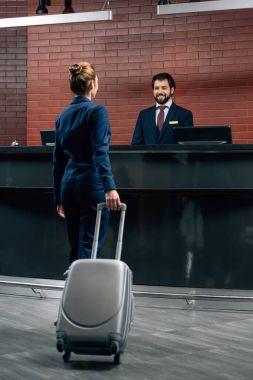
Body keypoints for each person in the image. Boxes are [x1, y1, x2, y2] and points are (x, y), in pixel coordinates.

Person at [53, 61, 121, 265]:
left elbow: (58, 160)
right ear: (92, 84)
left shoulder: (61, 116)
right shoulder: (97, 111)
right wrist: (110, 187)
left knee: (75, 245)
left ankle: (74, 292)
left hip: (68, 187)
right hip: (91, 186)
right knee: (89, 246)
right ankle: (84, 294)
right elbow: (100, 151)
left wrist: (58, 198)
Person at [131, 72, 194, 145]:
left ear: (172, 90)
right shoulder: (143, 115)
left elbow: (188, 146)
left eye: (164, 88)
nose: (160, 92)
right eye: (156, 88)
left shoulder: (185, 114)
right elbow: (136, 145)